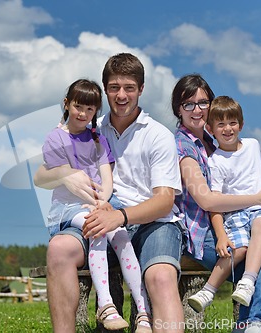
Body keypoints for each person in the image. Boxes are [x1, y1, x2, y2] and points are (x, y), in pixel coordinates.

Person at [35, 53, 185, 333]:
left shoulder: (157, 135)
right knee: (59, 249)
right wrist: (66, 174)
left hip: (152, 223)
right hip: (97, 216)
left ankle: (146, 316)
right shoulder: (89, 127)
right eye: (114, 87)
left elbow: (165, 201)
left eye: (129, 87)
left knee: (161, 276)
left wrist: (120, 216)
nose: (122, 95)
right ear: (105, 90)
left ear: (141, 89)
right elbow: (41, 176)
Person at [172, 74, 261, 333]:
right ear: (178, 109)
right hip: (203, 235)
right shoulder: (182, 145)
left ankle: (252, 325)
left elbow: (251, 176)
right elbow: (206, 199)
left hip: (235, 223)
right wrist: (258, 199)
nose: (197, 109)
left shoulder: (214, 142)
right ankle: (255, 324)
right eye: (189, 104)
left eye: (203, 103)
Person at [37, 78, 151, 331]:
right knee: (97, 227)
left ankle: (142, 310)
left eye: (90, 109)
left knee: (121, 236)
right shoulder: (56, 138)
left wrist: (102, 202)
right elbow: (48, 174)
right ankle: (106, 305)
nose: (83, 113)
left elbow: (106, 178)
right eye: (78, 106)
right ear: (67, 104)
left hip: (100, 203)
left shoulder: (98, 139)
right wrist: (94, 207)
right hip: (70, 208)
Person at [187, 95, 261, 314]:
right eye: (221, 124)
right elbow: (215, 204)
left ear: (241, 124)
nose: (228, 129)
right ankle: (208, 291)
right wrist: (220, 235)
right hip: (234, 213)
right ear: (211, 128)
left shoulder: (253, 146)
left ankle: (247, 281)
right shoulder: (215, 162)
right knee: (236, 249)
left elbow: (259, 176)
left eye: (232, 123)